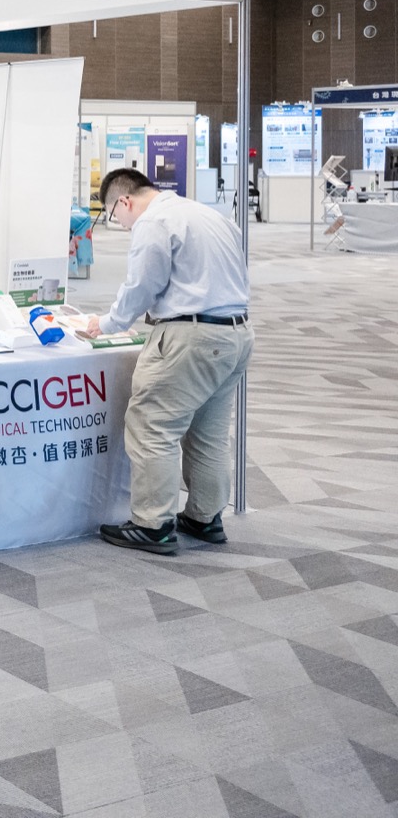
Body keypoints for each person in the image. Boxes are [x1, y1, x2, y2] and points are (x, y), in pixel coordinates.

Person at [85, 167, 252, 555]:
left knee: (151, 425)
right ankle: (205, 517)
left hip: (190, 336)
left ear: (124, 201)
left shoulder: (153, 221)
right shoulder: (208, 214)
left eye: (114, 216)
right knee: (208, 432)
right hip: (237, 333)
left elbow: (143, 284)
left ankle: (152, 524)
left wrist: (107, 323)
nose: (120, 224)